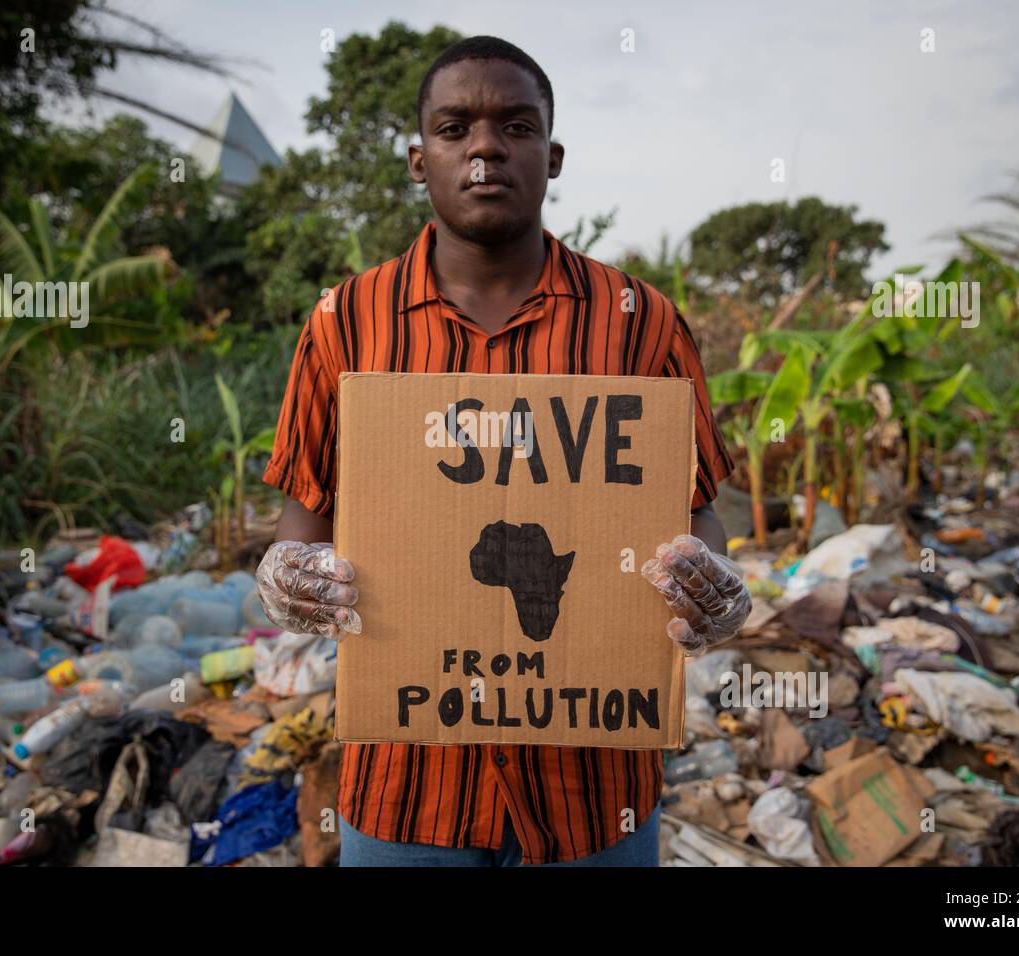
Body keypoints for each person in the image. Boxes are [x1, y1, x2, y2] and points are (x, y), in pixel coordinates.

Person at [255, 35, 751, 867]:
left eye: (515, 127)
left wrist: (714, 592)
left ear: (552, 157)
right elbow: (300, 528)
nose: (485, 147)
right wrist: (287, 580)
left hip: (596, 795)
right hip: (409, 790)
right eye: (456, 128)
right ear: (421, 160)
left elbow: (698, 517)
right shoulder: (345, 324)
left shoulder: (639, 319)